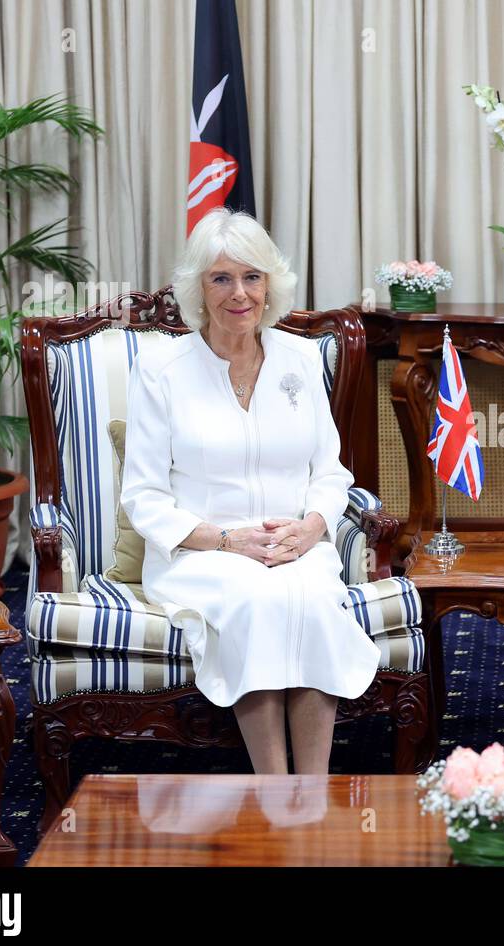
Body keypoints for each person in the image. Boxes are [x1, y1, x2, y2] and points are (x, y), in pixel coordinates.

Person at [120, 207, 379, 775]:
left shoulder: (302, 359)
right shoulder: (160, 369)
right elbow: (142, 495)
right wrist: (226, 540)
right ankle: (273, 789)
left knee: (309, 601)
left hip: (295, 545)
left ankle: (308, 793)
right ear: (198, 288)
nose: (239, 293)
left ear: (270, 284)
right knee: (257, 601)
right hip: (201, 553)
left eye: (252, 277)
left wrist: (313, 528)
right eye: (221, 278)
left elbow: (331, 472)